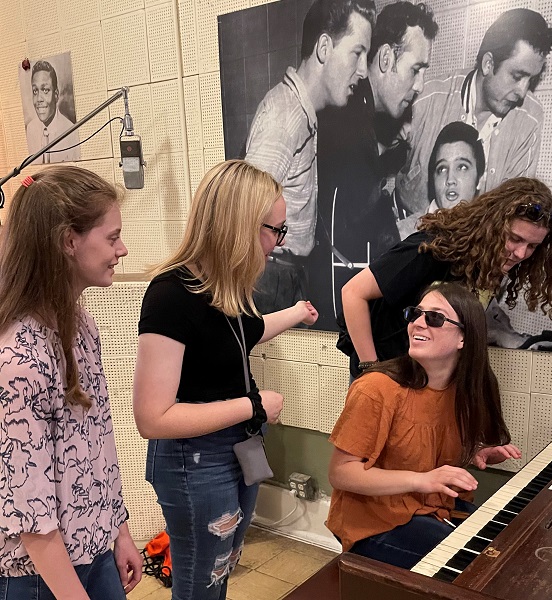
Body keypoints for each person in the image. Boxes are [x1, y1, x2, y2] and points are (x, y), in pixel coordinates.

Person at [133, 160, 319, 600]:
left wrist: (296, 314)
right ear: (239, 226)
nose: (277, 243)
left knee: (221, 570)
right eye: (274, 230)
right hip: (195, 460)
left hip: (235, 449)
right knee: (201, 582)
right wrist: (254, 406)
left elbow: (245, 333)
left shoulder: (225, 290)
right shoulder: (170, 296)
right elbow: (152, 418)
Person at [0, 166, 141, 598]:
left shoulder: (81, 324)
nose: (123, 249)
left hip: (93, 549)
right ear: (68, 241)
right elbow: (31, 514)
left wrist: (119, 530)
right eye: (112, 237)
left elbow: (97, 442)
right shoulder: (19, 360)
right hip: (41, 577)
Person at [327, 282, 521, 568]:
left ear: (464, 339)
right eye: (415, 314)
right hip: (374, 520)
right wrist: (424, 480)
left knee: (508, 546)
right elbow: (341, 474)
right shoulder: (376, 388)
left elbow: (428, 454)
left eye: (434, 318)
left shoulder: (467, 389)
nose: (418, 323)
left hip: (433, 507)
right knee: (477, 565)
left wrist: (474, 452)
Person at [340, 176, 552, 378]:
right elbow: (352, 293)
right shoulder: (433, 248)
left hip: (425, 379)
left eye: (532, 246)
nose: (521, 253)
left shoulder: (490, 264)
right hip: (385, 373)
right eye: (515, 238)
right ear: (493, 225)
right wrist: (372, 372)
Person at [311, 1, 438, 329]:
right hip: (335, 310)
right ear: (385, 59)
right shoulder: (352, 126)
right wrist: (429, 221)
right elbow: (367, 235)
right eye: (416, 69)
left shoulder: (359, 115)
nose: (420, 84)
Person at [245, 0, 376, 314]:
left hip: (283, 273)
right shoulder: (284, 115)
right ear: (325, 47)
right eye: (358, 53)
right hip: (272, 275)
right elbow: (245, 214)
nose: (364, 70)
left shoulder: (300, 112)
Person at [397, 8, 552, 217]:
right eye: (517, 76)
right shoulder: (426, 99)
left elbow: (515, 212)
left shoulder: (530, 119)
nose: (522, 92)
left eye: (531, 80)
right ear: (488, 63)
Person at [397, 120, 485, 240]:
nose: (450, 179)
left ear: (480, 179)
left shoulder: (492, 238)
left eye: (462, 167)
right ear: (433, 179)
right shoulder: (403, 235)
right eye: (442, 169)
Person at [25, 60, 81, 164]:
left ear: (56, 95)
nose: (39, 99)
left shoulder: (71, 132)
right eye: (35, 91)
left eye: (45, 90)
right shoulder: (30, 130)